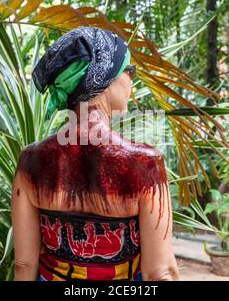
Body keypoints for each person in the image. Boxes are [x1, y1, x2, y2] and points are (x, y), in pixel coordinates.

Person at [11, 26, 179, 281]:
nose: (132, 79)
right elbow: (160, 272)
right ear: (105, 78)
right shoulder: (144, 163)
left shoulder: (30, 161)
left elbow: (24, 264)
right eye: (129, 70)